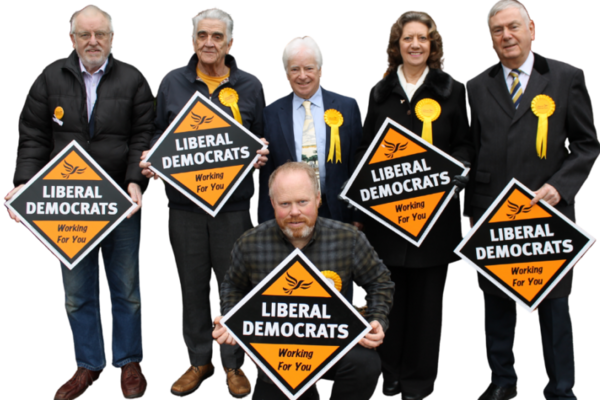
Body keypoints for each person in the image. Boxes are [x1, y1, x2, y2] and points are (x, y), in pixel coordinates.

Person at [3, 4, 153, 400]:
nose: (92, 41)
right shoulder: (48, 78)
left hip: (121, 203)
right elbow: (32, 137)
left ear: (112, 38)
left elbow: (144, 135)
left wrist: (136, 180)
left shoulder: (134, 78)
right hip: (69, 207)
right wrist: (23, 186)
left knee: (127, 288)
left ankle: (129, 363)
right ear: (71, 39)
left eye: (100, 34)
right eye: (84, 34)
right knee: (76, 292)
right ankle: (88, 365)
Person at [464, 1, 600, 399]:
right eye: (497, 31)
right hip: (493, 214)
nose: (506, 36)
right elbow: (469, 152)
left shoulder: (567, 76)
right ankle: (503, 382)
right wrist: (473, 213)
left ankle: (561, 387)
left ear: (532, 30)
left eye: (513, 27)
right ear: (489, 40)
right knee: (497, 305)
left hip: (550, 213)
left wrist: (559, 187)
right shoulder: (473, 86)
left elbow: (586, 146)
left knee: (556, 307)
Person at [138, 6, 268, 399]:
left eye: (217, 37)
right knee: (191, 284)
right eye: (202, 36)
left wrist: (260, 156)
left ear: (231, 43)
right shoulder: (170, 83)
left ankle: (234, 363)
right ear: (191, 41)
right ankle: (198, 359)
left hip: (234, 207)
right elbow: (157, 135)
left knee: (236, 285)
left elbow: (262, 137)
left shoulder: (251, 86)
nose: (209, 43)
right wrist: (152, 161)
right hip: (184, 207)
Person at [357, 10, 472, 400]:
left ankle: (421, 383)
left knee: (426, 307)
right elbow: (365, 153)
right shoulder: (378, 91)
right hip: (386, 223)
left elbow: (464, 144)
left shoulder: (452, 89)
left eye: (423, 38)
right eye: (408, 38)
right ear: (397, 45)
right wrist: (360, 207)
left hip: (435, 223)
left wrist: (457, 174)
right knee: (389, 301)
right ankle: (388, 375)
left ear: (433, 44)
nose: (415, 45)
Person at [213, 161, 394, 400]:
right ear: (272, 204)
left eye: (302, 202)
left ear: (318, 199)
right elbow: (233, 286)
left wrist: (377, 319)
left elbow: (379, 281)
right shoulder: (249, 243)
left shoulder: (348, 238)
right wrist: (230, 317)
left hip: (335, 341)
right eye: (285, 204)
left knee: (366, 364)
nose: (294, 212)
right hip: (279, 351)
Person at [256, 35, 362, 225]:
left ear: (321, 71)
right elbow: (267, 174)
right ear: (285, 74)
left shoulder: (348, 107)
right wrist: (265, 221)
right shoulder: (271, 112)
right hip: (291, 214)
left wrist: (359, 217)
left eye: (309, 68)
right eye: (295, 69)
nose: (302, 75)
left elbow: (357, 164)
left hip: (338, 211)